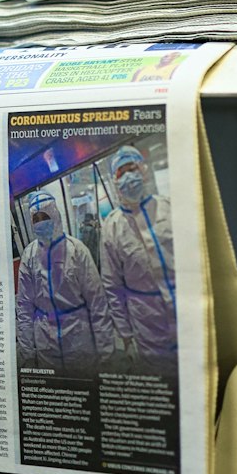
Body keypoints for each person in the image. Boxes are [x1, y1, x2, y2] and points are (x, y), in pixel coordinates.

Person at [15, 189, 116, 376]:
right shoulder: (29, 256)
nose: (40, 222)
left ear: (55, 215)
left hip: (79, 341)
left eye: (44, 216)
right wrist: (27, 352)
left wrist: (106, 350)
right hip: (46, 345)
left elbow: (97, 303)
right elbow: (24, 307)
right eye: (35, 219)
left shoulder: (77, 250)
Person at [100, 144, 177, 371]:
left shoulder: (167, 208)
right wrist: (125, 335)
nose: (128, 177)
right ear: (115, 181)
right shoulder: (112, 227)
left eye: (132, 168)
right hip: (148, 323)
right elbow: (112, 286)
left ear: (143, 171)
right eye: (121, 173)